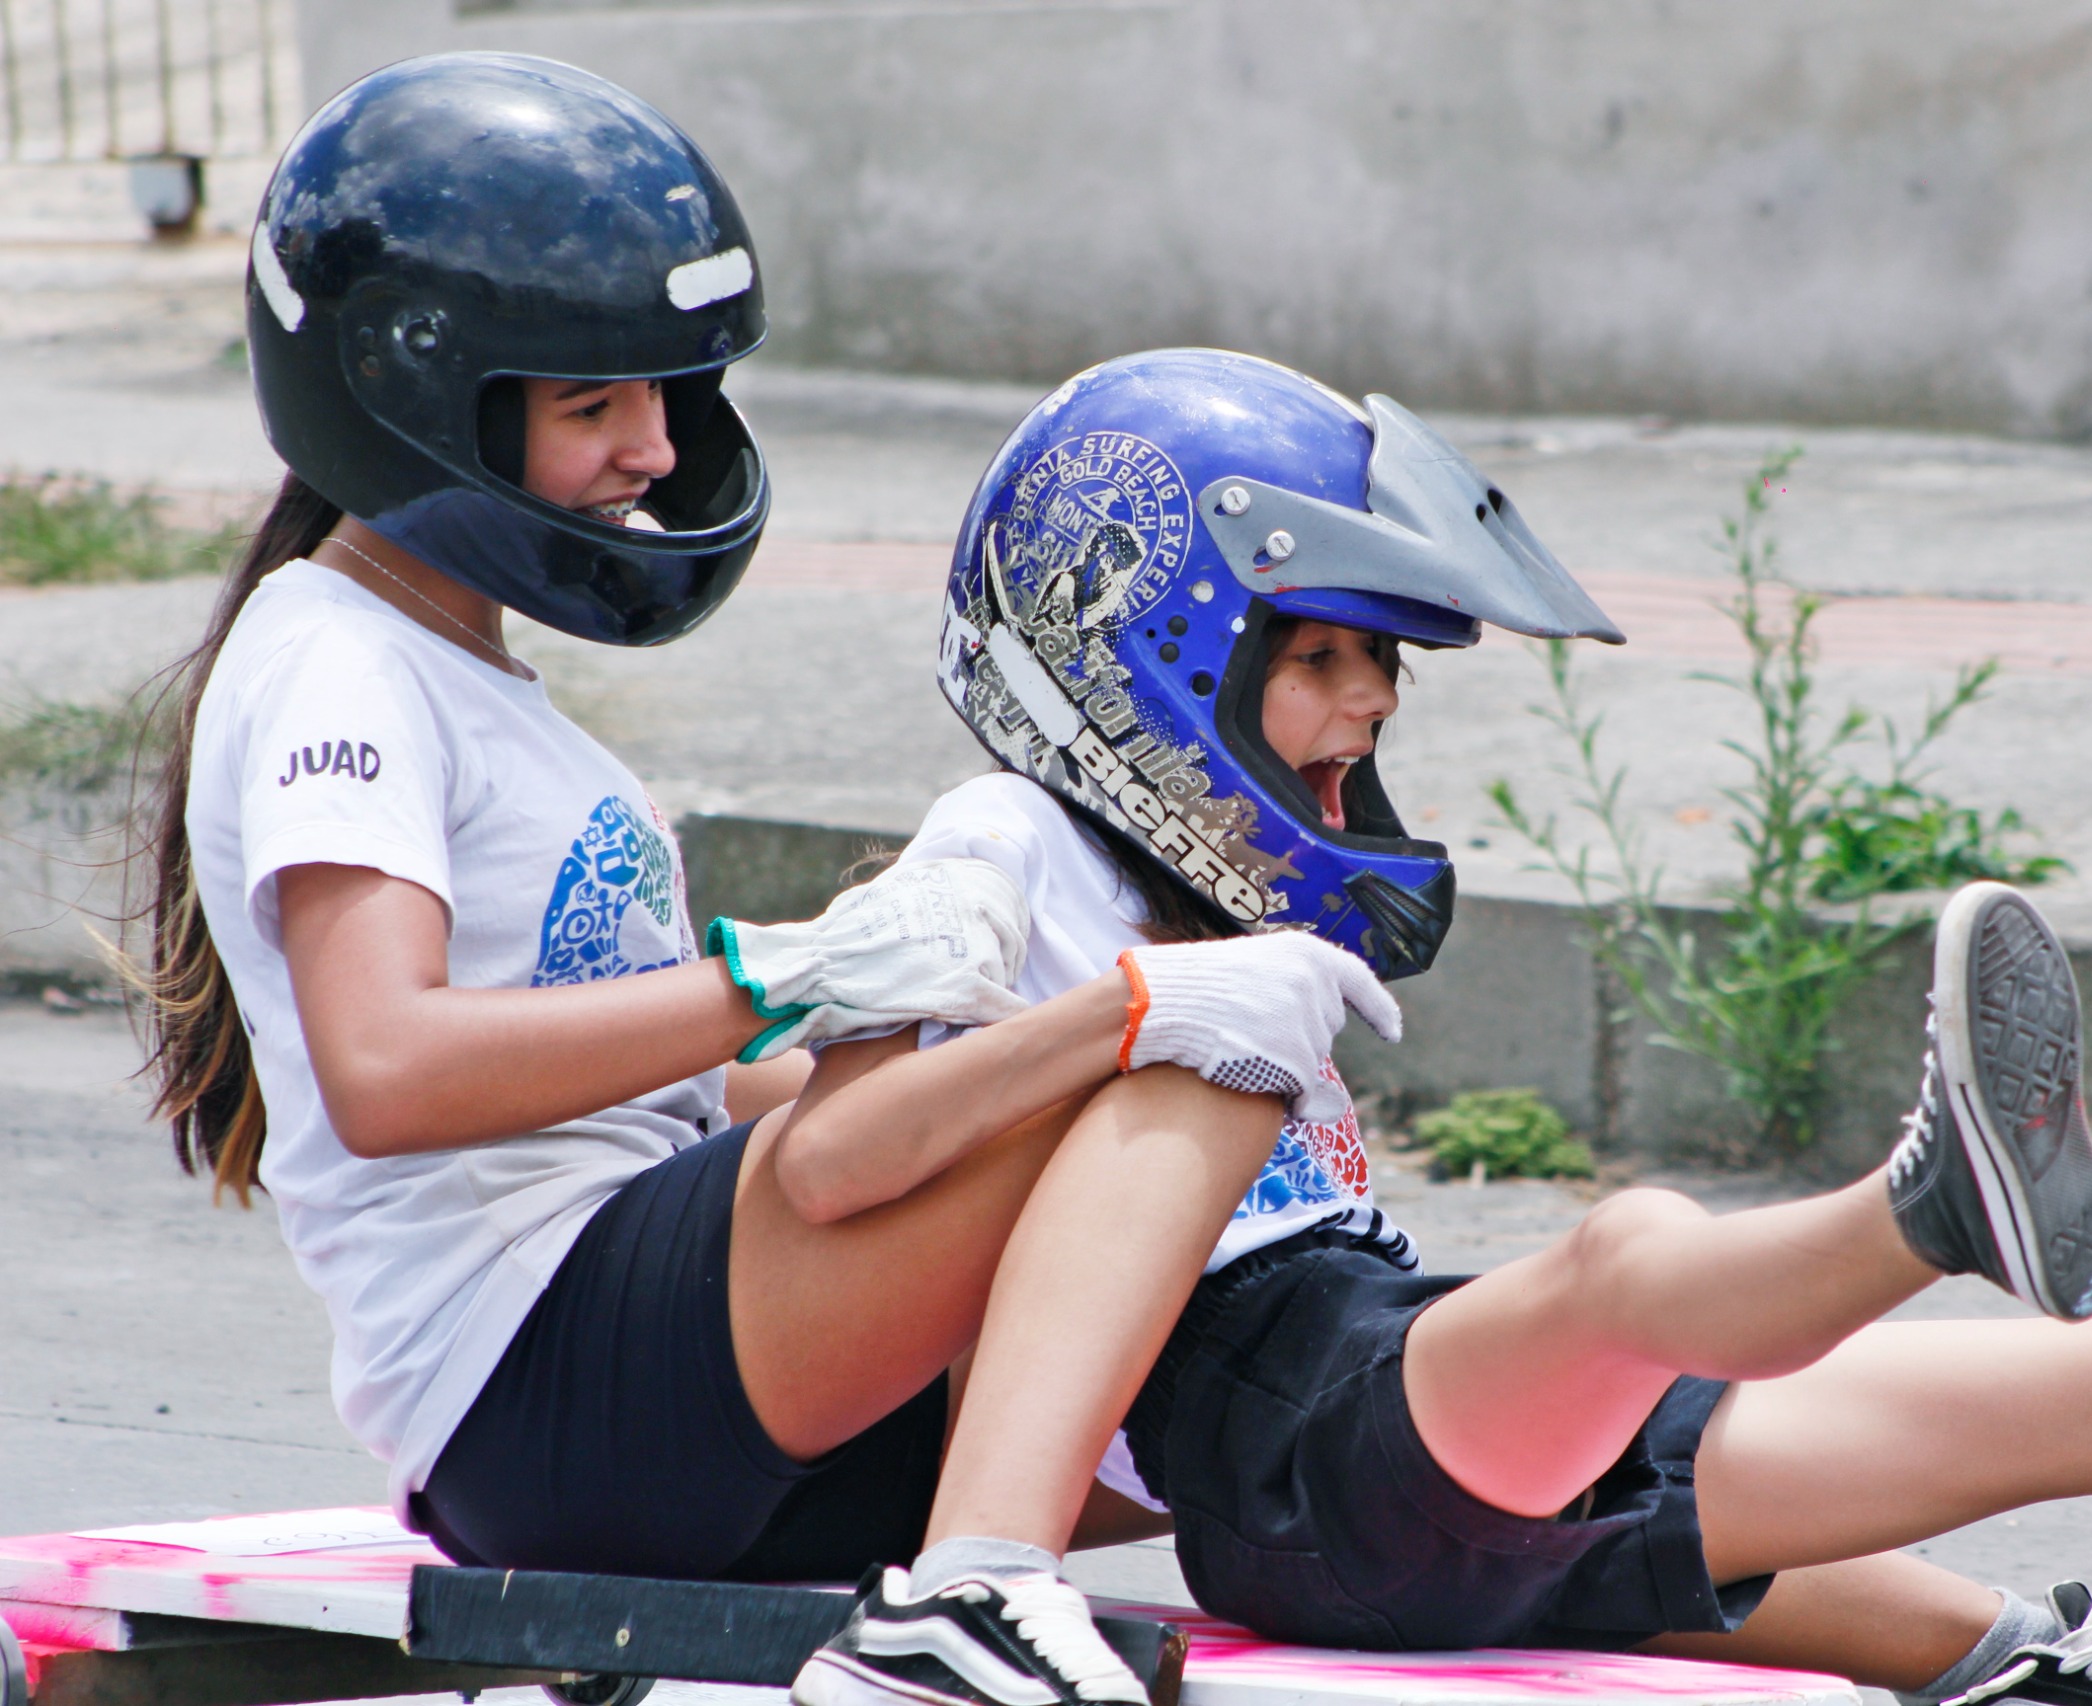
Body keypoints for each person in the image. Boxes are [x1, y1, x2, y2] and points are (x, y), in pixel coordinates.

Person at [777, 350, 2092, 1706]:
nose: (1372, 702)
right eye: (1320, 656)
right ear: (1140, 653)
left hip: (1437, 1447)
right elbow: (831, 1145)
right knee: (1625, 1255)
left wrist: (1964, 1642)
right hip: (1299, 1447)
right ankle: (1930, 1206)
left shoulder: (1238, 926)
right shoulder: (1005, 847)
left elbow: (1594, 1524)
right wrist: (1122, 1014)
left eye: (1383, 669)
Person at [132, 59, 1384, 1692]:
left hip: (653, 1386)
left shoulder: (454, 670)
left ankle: (1473, 1510)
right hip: (545, 1386)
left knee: (1280, 1409)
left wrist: (913, 1033)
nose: (655, 450)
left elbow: (673, 1093)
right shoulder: (337, 660)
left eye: (666, 395)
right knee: (1187, 1031)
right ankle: (972, 1592)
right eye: (595, 407)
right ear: (411, 394)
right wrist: (797, 966)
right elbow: (386, 1068)